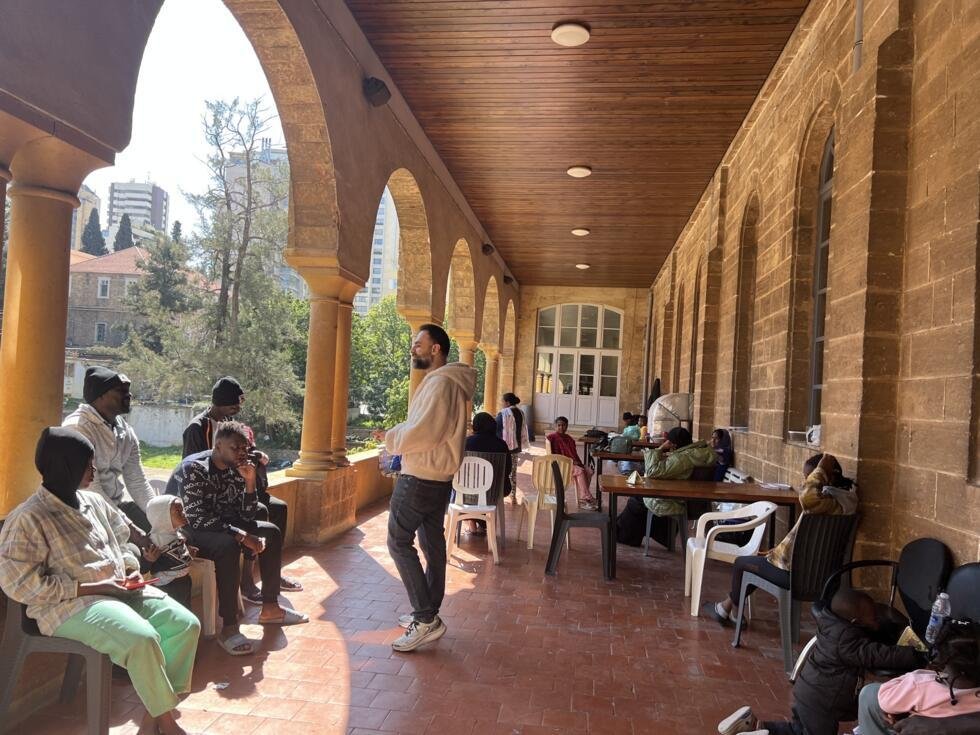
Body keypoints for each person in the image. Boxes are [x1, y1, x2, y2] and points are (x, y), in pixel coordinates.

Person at [0, 428, 199, 735]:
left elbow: (121, 544)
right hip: (68, 606)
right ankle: (168, 724)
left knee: (185, 625)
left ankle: (153, 718)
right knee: (142, 639)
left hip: (118, 591)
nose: (93, 471)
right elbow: (21, 586)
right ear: (65, 466)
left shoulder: (94, 501)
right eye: (87, 464)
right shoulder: (28, 518)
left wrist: (131, 567)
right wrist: (96, 587)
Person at [169, 421, 307, 657]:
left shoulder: (237, 467)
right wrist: (241, 535)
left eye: (245, 449)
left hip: (221, 522)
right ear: (218, 445)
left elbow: (246, 514)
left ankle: (270, 608)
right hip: (189, 530)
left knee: (270, 532)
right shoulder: (196, 468)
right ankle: (229, 628)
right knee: (228, 546)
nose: (242, 454)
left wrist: (250, 482)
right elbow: (196, 519)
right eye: (236, 448)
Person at [378, 323, 476, 652]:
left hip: (420, 477)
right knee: (432, 545)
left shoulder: (442, 384)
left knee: (398, 542)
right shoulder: (447, 384)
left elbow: (425, 432)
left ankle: (425, 618)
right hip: (437, 479)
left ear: (436, 349)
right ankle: (428, 612)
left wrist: (391, 439)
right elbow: (427, 427)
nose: (413, 349)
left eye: (419, 344)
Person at [718, 588, 924, 735]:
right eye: (872, 618)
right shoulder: (846, 643)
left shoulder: (833, 627)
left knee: (798, 730)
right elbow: (878, 655)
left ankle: (753, 724)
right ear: (855, 622)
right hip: (824, 702)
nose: (876, 622)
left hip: (809, 691)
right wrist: (913, 654)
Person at [181, 376, 300, 602]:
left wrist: (251, 473)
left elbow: (244, 452)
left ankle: (266, 580)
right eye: (233, 403)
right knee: (261, 512)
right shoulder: (198, 428)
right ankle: (246, 582)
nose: (238, 407)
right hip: (209, 502)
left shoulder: (230, 424)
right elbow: (195, 466)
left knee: (276, 510)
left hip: (234, 489)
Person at [704, 452, 856, 626]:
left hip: (796, 575)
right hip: (822, 576)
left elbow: (807, 497)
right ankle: (724, 608)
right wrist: (773, 552)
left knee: (742, 563)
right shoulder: (847, 503)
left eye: (810, 478)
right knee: (758, 561)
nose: (805, 483)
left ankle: (735, 616)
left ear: (823, 477)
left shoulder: (824, 503)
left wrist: (821, 469)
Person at [62, 366, 156, 532]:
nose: (129, 395)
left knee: (162, 533)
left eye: (128, 390)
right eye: (120, 390)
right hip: (84, 511)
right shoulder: (78, 429)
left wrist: (161, 516)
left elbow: (137, 482)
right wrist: (131, 529)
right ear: (100, 396)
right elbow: (92, 490)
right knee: (136, 550)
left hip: (115, 506)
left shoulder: (125, 431)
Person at [858, 619, 980, 735]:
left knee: (868, 693)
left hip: (899, 705)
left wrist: (922, 673)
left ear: (942, 659)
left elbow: (885, 701)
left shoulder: (920, 684)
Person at [614, 426, 716, 547]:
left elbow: (652, 471)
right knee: (639, 499)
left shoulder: (683, 458)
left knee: (636, 500)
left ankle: (624, 534)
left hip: (676, 501)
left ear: (673, 444)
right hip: (689, 500)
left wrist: (660, 449)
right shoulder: (699, 453)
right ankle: (622, 530)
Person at [462, 412, 513, 536]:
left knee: (458, 490)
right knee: (482, 492)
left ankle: (472, 524)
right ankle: (481, 522)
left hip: (469, 491)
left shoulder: (466, 443)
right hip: (496, 491)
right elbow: (508, 469)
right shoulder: (501, 444)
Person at [143, 494, 194, 609]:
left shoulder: (179, 534)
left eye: (182, 509)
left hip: (184, 581)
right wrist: (149, 560)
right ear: (162, 517)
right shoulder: (155, 541)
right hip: (167, 587)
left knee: (187, 610)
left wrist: (188, 555)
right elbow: (144, 567)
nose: (184, 514)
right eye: (178, 511)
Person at [546, 416, 597, 510]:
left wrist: (578, 463)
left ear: (567, 426)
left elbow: (573, 454)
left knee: (589, 471)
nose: (561, 427)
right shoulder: (551, 438)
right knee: (580, 471)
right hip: (562, 464)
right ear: (555, 426)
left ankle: (583, 496)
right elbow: (551, 455)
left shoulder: (569, 438)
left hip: (572, 463)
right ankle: (586, 498)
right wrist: (571, 463)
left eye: (564, 425)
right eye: (559, 425)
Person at [496, 392, 528, 498]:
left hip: (503, 446)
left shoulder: (504, 413)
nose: (502, 403)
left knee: (501, 470)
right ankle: (513, 493)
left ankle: (500, 492)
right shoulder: (521, 412)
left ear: (507, 402)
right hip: (516, 447)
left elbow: (497, 428)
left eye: (503, 401)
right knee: (513, 471)